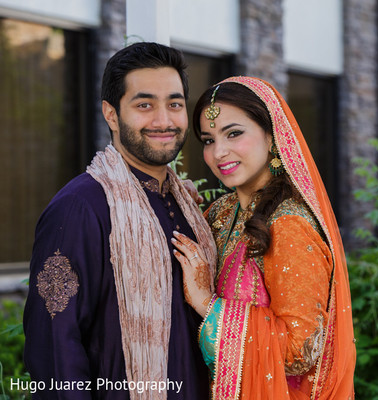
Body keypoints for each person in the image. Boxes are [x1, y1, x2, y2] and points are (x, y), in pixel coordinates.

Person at [23, 42, 216, 400]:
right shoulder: (80, 208)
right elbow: (54, 345)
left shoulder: (185, 205)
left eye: (174, 104)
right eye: (144, 105)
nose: (163, 120)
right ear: (111, 114)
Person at [171, 76, 356, 400]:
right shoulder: (222, 212)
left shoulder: (288, 225)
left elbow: (299, 350)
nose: (219, 152)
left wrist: (207, 305)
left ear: (272, 137)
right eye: (208, 140)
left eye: (233, 133)